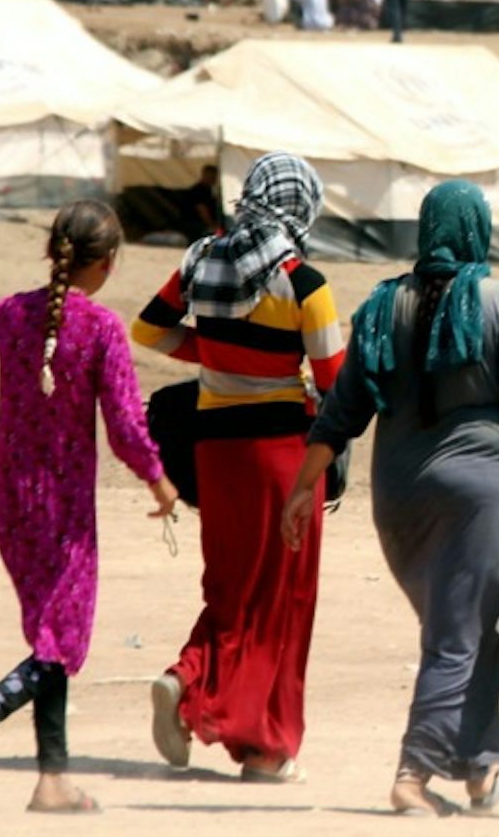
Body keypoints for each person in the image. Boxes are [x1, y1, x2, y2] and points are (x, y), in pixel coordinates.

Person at [281, 181, 499, 817]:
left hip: (400, 501)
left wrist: (304, 488)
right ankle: (414, 771)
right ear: (477, 232)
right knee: (457, 637)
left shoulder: (382, 307)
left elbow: (340, 413)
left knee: (475, 627)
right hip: (478, 499)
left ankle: (481, 762)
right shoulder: (498, 305)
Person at [0, 201, 176, 815]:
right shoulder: (103, 329)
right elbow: (126, 428)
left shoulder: (11, 313)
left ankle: (52, 780)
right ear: (109, 264)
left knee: (51, 634)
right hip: (63, 510)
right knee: (66, 640)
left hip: (10, 501)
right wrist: (158, 481)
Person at [131, 153, 345, 783]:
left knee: (228, 586)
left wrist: (214, 354)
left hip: (214, 451)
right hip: (282, 457)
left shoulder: (201, 261)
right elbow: (335, 381)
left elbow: (148, 331)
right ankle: (267, 748)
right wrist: (285, 373)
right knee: (282, 599)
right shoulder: (306, 284)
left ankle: (188, 677)